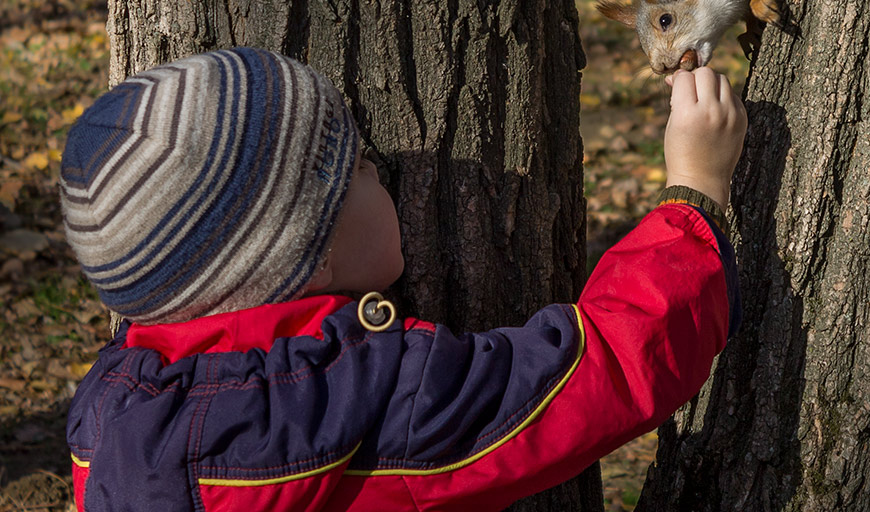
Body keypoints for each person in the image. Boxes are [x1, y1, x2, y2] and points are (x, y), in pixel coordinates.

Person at [60, 47, 746, 512]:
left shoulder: (101, 422)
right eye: (358, 168)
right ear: (307, 252)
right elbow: (594, 372)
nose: (381, 173)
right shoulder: (373, 397)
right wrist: (694, 194)